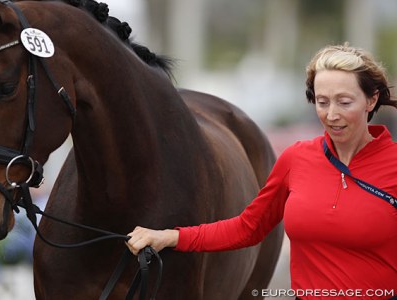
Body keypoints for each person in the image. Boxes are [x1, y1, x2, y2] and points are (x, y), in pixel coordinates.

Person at [127, 44, 397, 298]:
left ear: (371, 101)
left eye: (345, 102)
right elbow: (248, 228)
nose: (331, 114)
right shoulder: (296, 158)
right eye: (322, 102)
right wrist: (171, 236)